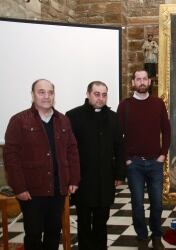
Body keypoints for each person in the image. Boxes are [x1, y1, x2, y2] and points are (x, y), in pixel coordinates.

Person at [3, 79, 80, 250]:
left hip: (58, 189)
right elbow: (11, 157)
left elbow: (72, 151)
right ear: (32, 95)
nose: (47, 96)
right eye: (41, 92)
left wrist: (74, 179)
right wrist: (19, 188)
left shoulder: (63, 120)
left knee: (54, 233)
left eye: (50, 92)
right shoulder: (19, 120)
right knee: (34, 234)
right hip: (32, 191)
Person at [66, 81, 125, 250]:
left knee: (101, 221)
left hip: (105, 179)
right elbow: (68, 150)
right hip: (82, 180)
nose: (100, 98)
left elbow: (119, 147)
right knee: (84, 222)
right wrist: (71, 178)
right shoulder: (73, 116)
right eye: (96, 94)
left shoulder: (113, 118)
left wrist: (120, 174)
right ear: (88, 94)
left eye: (104, 95)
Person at [117, 69, 171, 250]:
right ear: (133, 82)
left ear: (149, 82)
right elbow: (118, 136)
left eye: (144, 79)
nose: (141, 82)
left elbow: (167, 130)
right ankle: (142, 237)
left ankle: (156, 235)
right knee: (137, 204)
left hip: (155, 163)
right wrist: (126, 160)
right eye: (138, 79)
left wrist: (163, 155)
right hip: (135, 164)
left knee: (157, 203)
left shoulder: (158, 104)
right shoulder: (125, 105)